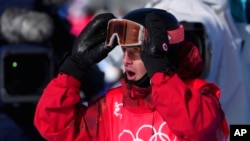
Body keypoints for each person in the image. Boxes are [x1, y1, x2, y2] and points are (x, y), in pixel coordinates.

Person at [34, 8, 229, 141]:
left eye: (136, 52)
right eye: (125, 51)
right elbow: (54, 128)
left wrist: (160, 72)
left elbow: (193, 127)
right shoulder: (111, 107)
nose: (126, 60)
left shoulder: (199, 95)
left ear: (162, 54)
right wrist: (73, 68)